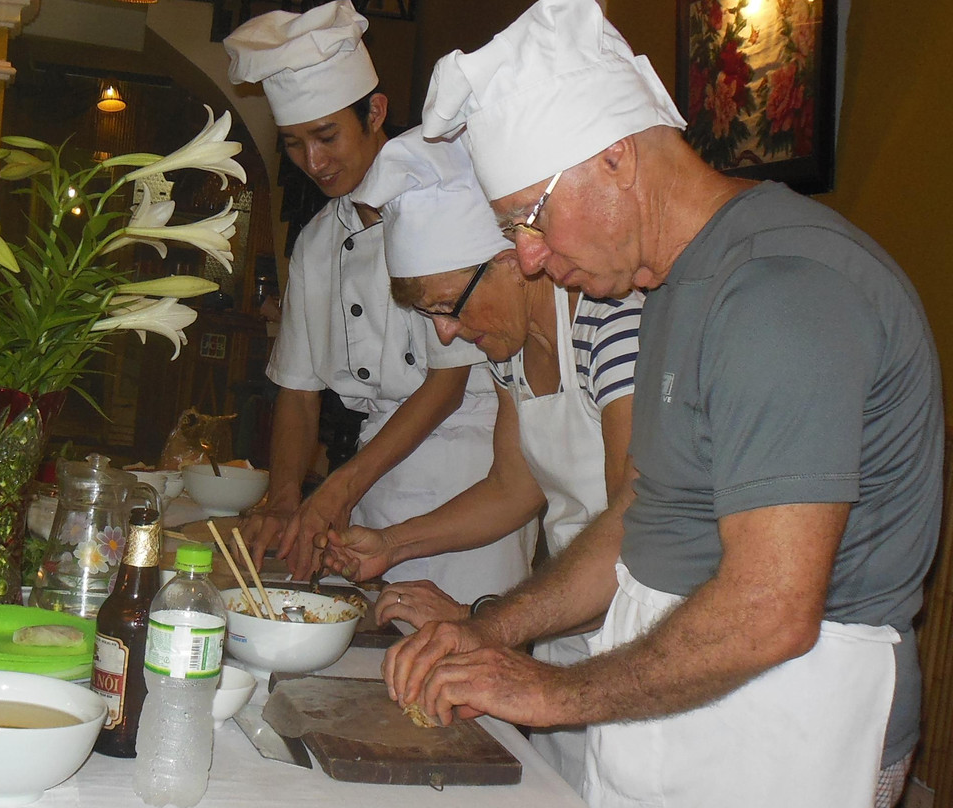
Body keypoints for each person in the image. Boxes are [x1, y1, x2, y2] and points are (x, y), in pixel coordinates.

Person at [383, 2, 944, 807]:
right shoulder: (678, 285)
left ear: (615, 159)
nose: (531, 259)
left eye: (529, 222)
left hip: (796, 726)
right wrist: (492, 629)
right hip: (690, 707)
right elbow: (639, 517)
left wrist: (551, 692)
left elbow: (768, 611)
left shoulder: (783, 292)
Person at [311, 128, 640, 790]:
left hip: (638, 643)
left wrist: (485, 619)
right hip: (568, 632)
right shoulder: (515, 347)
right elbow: (513, 489)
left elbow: (634, 530)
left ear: (512, 258)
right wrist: (390, 545)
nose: (445, 334)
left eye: (447, 307)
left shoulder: (608, 322)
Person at [223, 1, 535, 602]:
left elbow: (444, 387)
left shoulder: (444, 206)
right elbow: (298, 387)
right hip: (376, 475)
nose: (313, 162)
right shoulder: (319, 242)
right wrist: (285, 499)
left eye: (326, 136)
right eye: (293, 144)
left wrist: (335, 492)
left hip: (473, 481)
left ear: (376, 113)